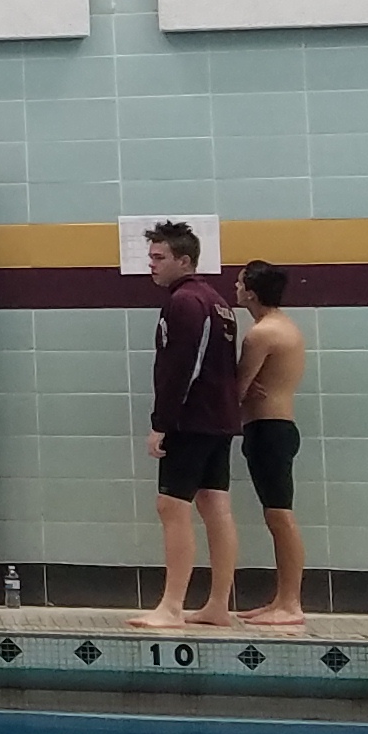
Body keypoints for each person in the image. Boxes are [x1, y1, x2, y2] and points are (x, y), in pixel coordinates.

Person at [135, 219, 244, 628]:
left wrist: (161, 422)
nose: (152, 264)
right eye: (150, 257)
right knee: (215, 505)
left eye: (159, 257)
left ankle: (171, 606)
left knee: (171, 505)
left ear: (184, 260)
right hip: (219, 419)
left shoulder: (184, 302)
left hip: (191, 420)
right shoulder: (218, 302)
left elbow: (182, 367)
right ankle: (218, 605)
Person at [233, 259, 309, 629]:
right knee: (276, 514)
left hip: (269, 429)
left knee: (280, 515)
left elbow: (237, 388)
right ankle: (281, 599)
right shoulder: (284, 326)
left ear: (251, 292)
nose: (235, 288)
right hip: (277, 427)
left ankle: (291, 604)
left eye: (239, 283)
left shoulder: (261, 334)